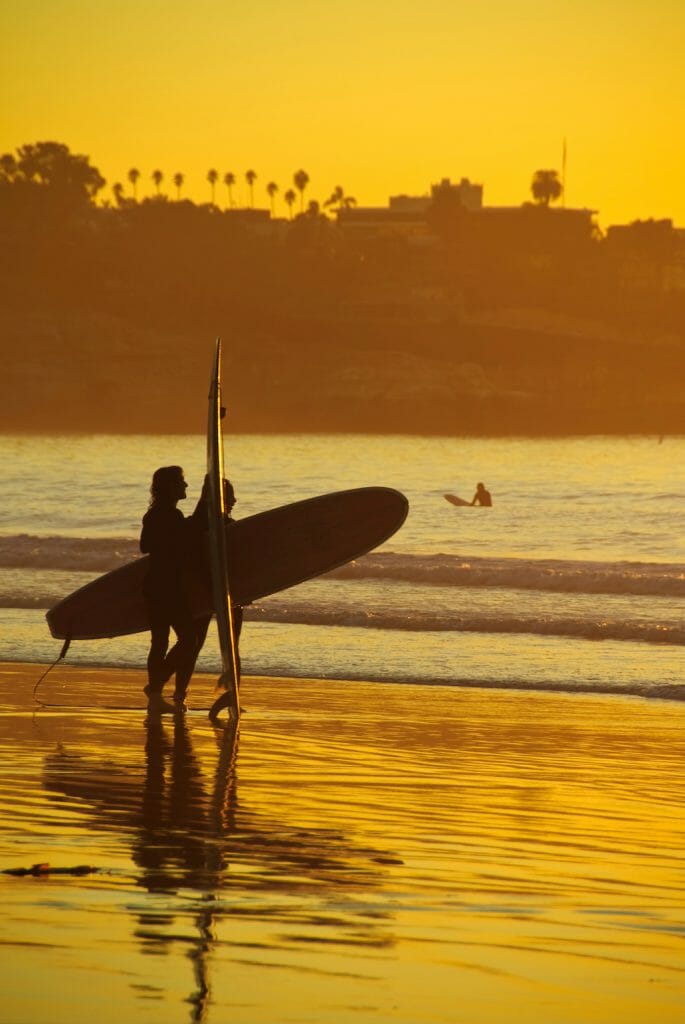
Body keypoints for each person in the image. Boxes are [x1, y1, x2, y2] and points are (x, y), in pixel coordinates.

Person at [140, 466, 209, 713]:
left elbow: (145, 546)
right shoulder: (170, 516)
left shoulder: (153, 515)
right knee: (189, 639)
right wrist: (204, 498)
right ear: (170, 486)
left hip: (155, 585)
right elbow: (188, 535)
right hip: (168, 587)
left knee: (160, 641)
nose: (185, 486)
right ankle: (156, 687)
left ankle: (156, 694)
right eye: (181, 481)